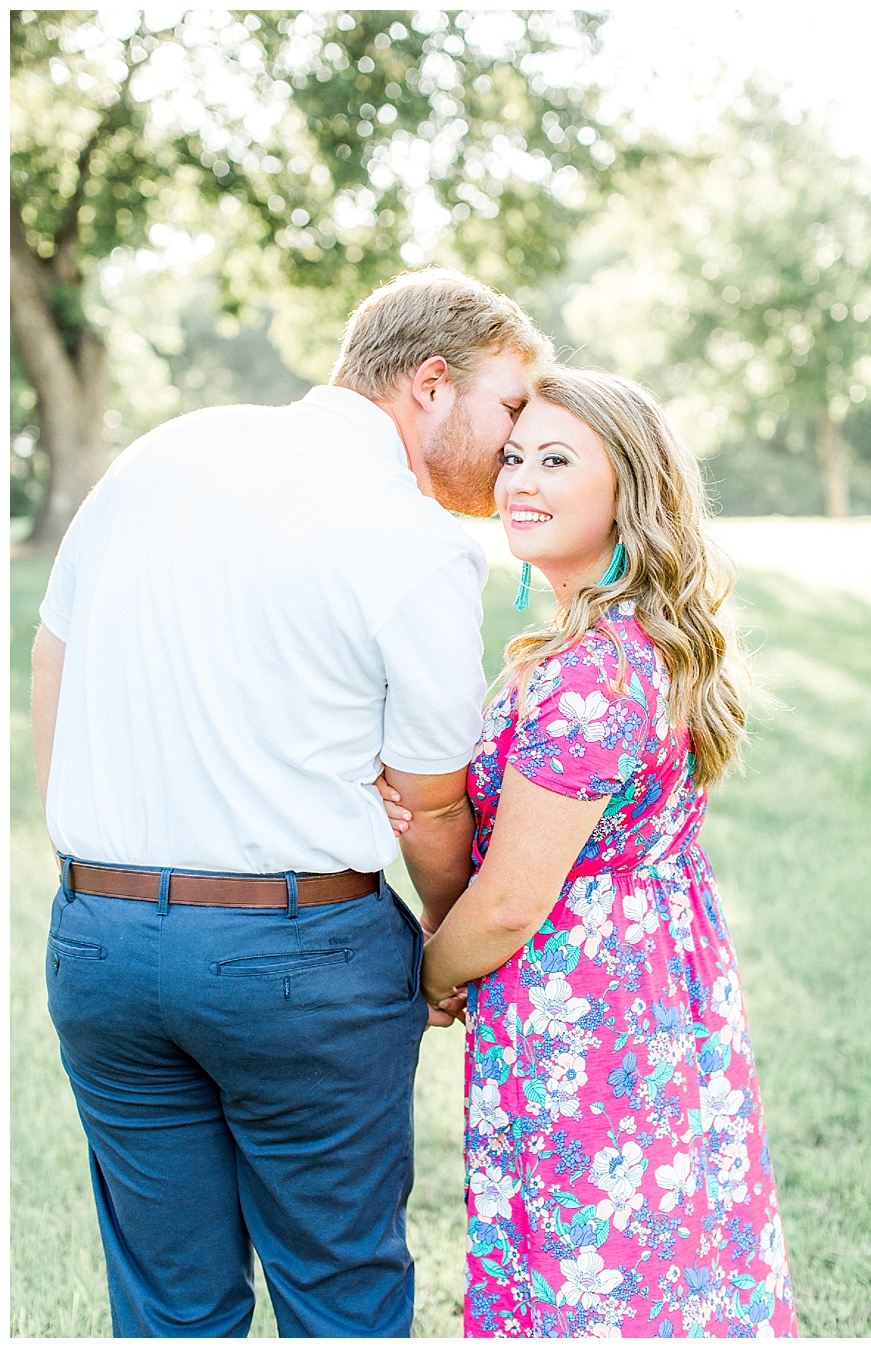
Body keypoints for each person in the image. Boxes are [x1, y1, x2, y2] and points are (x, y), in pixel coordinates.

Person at [30, 268, 551, 1336]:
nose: (517, 439)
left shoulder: (159, 456)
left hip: (99, 941)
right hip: (297, 958)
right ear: (431, 384)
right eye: (509, 405)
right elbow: (432, 800)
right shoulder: (414, 538)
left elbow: (54, 653)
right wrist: (448, 933)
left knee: (169, 1305)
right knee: (338, 1294)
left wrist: (91, 854)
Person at [382, 367, 799, 1336]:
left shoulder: (589, 674)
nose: (520, 482)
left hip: (587, 1010)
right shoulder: (636, 639)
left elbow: (509, 904)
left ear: (630, 490)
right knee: (664, 1252)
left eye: (557, 460)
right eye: (513, 457)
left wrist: (429, 977)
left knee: (589, 1268)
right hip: (654, 982)